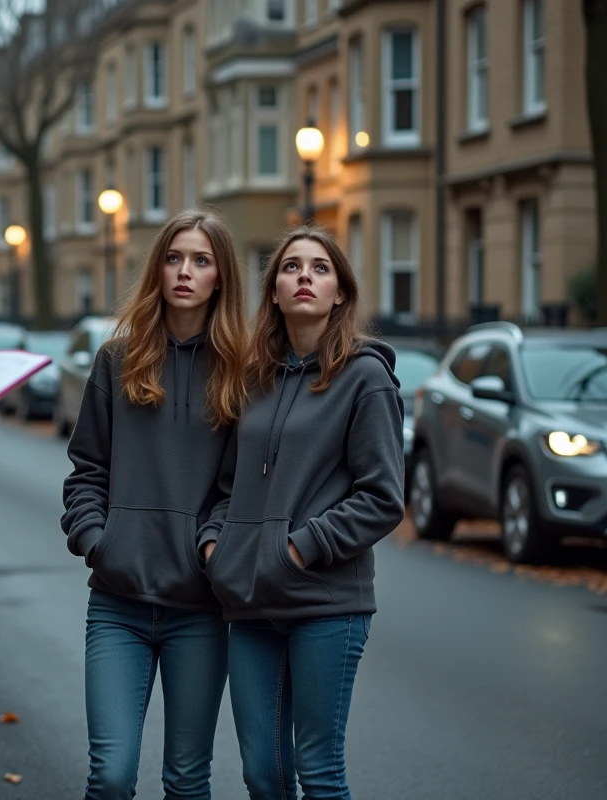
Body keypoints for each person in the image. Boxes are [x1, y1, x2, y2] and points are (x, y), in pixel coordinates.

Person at [200, 225, 406, 799]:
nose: (305, 278)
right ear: (273, 291)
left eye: (320, 268)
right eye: (292, 268)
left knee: (318, 769)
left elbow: (383, 497)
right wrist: (217, 546)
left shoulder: (365, 379)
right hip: (250, 602)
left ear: (340, 292)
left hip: (326, 604)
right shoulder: (252, 378)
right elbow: (225, 485)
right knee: (263, 773)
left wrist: (301, 547)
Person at [61, 208, 247, 799]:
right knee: (111, 775)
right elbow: (86, 471)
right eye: (173, 258)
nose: (185, 272)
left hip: (200, 609)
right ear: (158, 270)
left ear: (221, 276)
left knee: (187, 780)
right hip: (118, 605)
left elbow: (235, 489)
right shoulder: (117, 361)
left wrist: (211, 549)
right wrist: (99, 542)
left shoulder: (241, 373)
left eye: (201, 260)